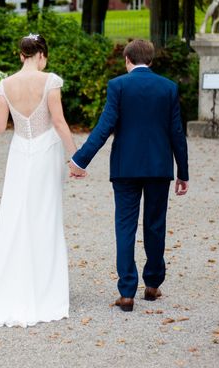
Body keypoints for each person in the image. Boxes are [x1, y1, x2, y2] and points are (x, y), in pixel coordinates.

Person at [68, 39, 189, 312]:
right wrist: (183, 171)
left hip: (125, 169)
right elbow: (177, 134)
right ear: (152, 61)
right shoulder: (168, 88)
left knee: (125, 227)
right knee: (155, 225)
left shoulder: (118, 86)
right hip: (159, 168)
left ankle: (126, 292)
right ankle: (153, 284)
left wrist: (80, 160)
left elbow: (105, 126)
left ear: (127, 60)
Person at [0, 33, 78, 327]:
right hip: (46, 152)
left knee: (16, 216)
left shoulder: (5, 85)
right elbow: (58, 121)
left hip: (19, 153)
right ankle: (45, 286)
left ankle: (13, 280)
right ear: (42, 55)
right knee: (45, 216)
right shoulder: (51, 81)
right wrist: (75, 156)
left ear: (21, 55)